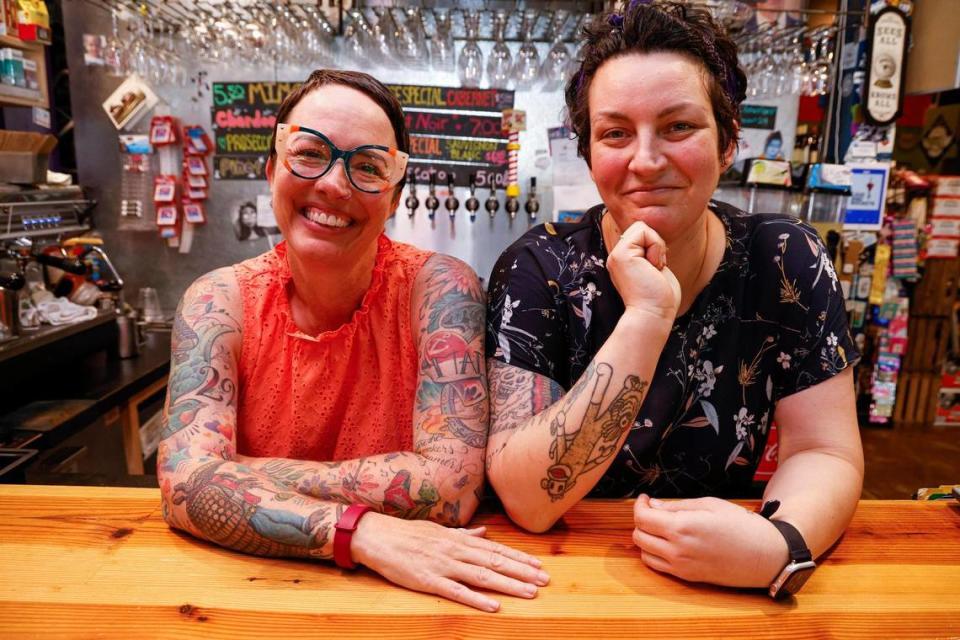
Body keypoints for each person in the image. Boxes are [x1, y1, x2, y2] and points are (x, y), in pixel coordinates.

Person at [485, 1, 863, 596]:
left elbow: (825, 449)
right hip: (558, 580)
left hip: (727, 581)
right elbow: (529, 500)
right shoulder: (540, 268)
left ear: (729, 141)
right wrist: (647, 316)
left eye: (678, 126)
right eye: (615, 133)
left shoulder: (785, 259)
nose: (646, 160)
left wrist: (780, 544)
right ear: (588, 153)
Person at [158, 69, 548, 612]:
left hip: (411, 606)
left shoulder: (439, 290)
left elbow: (453, 487)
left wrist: (233, 471)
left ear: (392, 198)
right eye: (310, 153)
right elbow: (183, 485)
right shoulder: (217, 301)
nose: (334, 185)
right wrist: (357, 532)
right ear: (272, 169)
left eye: (367, 167)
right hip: (244, 598)